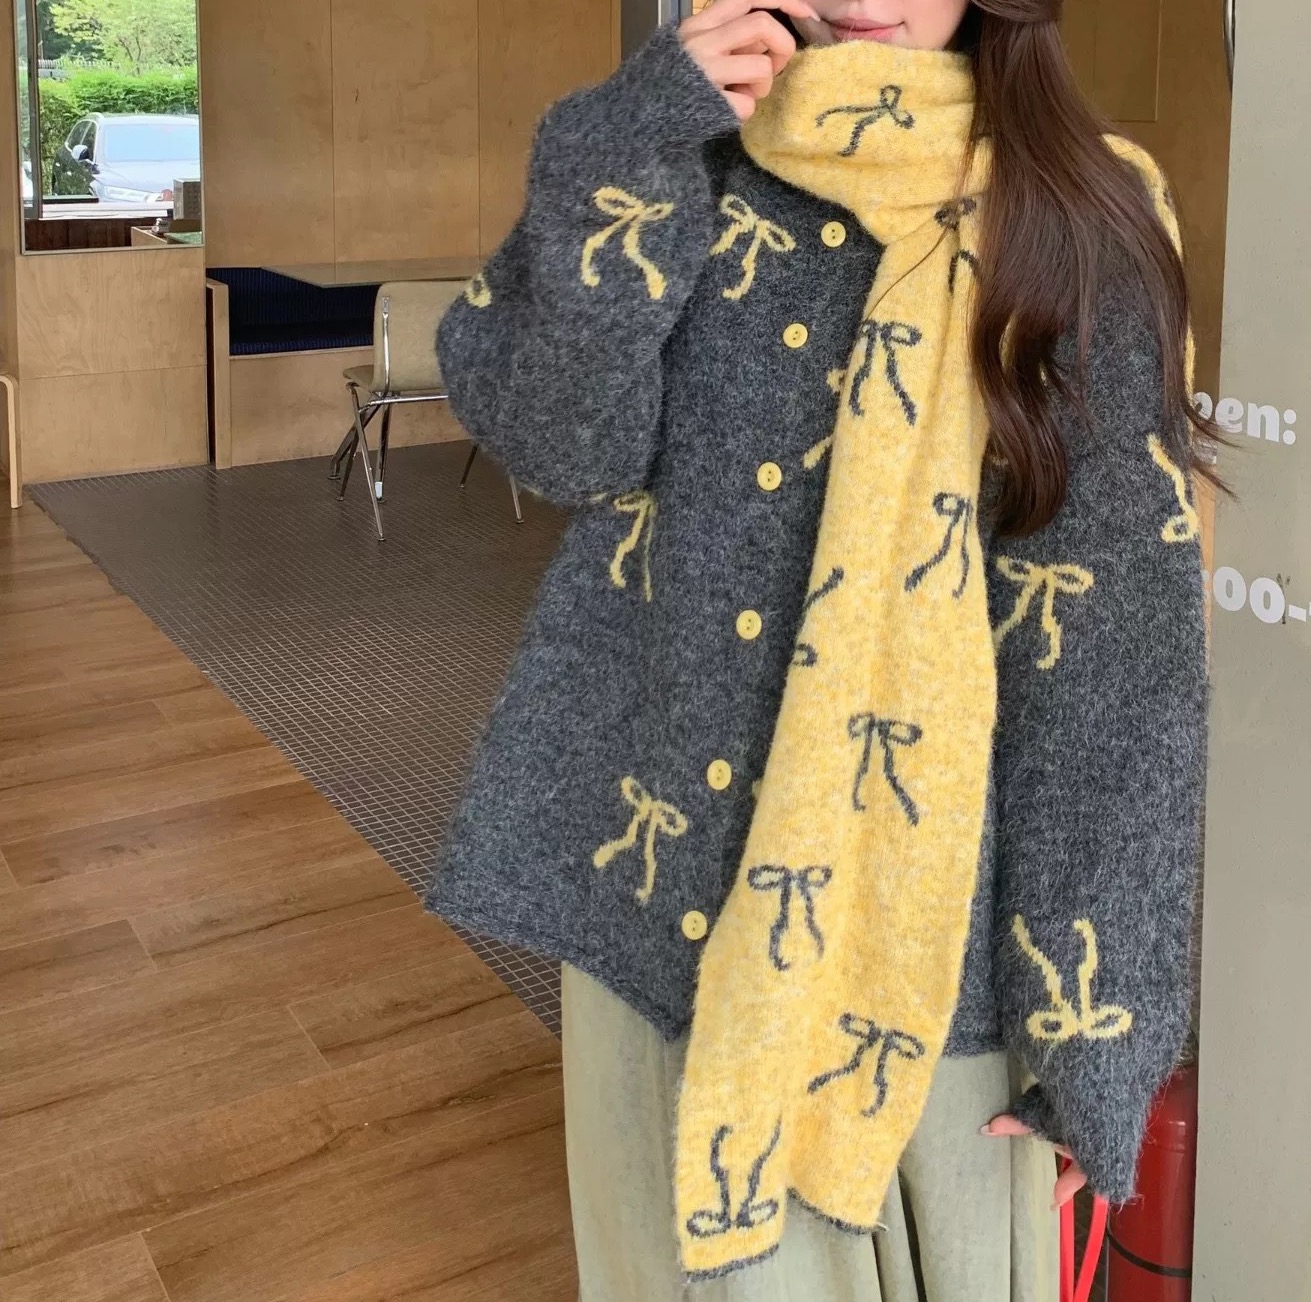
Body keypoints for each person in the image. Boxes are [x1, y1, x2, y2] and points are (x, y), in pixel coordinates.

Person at [425, 0, 1212, 1295]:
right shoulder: (680, 155)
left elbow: (1118, 661)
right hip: (661, 923)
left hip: (931, 965)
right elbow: (560, 443)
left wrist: (1101, 1036)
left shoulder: (1083, 217)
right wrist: (628, 141)